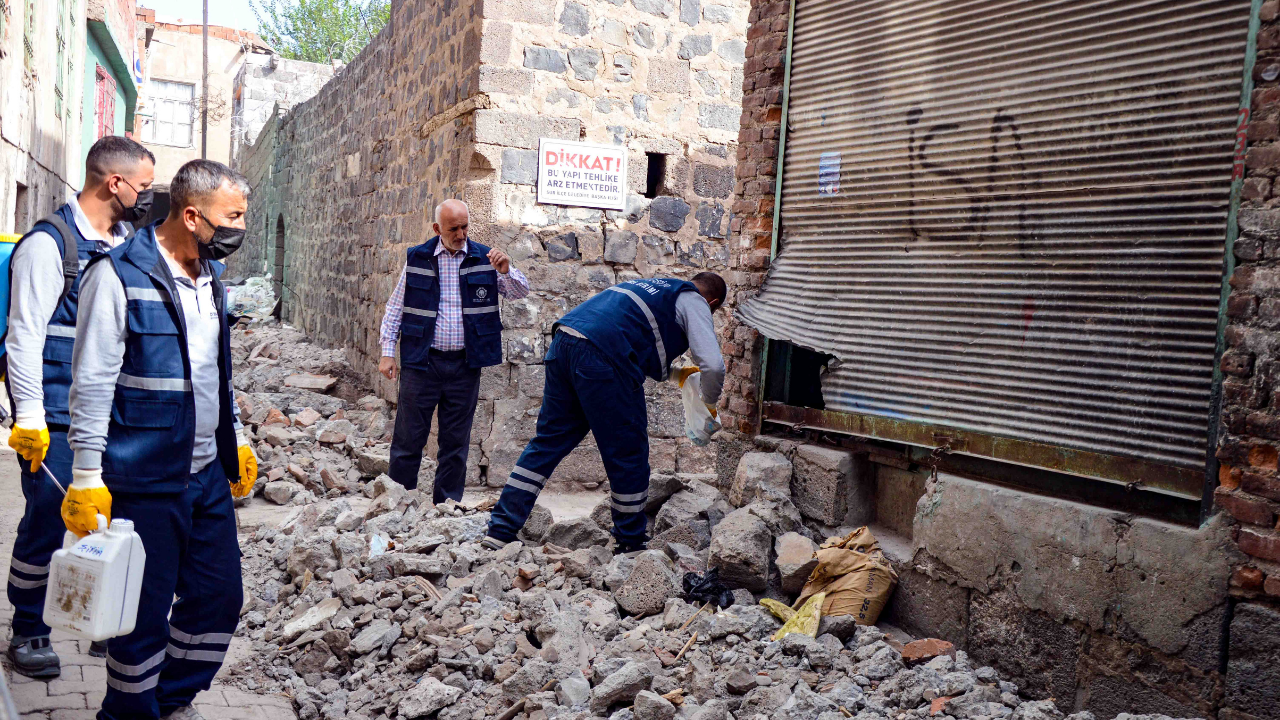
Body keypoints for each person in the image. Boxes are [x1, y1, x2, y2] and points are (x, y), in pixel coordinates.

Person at [65, 159, 258, 720]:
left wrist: (237, 438)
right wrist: (85, 477)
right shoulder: (118, 274)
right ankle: (126, 712)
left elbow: (215, 373)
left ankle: (167, 701)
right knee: (143, 617)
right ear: (193, 215)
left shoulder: (212, 280)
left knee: (218, 600)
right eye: (234, 217)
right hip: (144, 475)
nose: (239, 228)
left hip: (204, 476)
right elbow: (94, 381)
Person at [4, 136, 155, 678]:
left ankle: (99, 619)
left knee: (112, 516)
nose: (147, 197)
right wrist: (29, 415)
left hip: (111, 412)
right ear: (114, 183)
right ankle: (28, 629)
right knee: (51, 517)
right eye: (144, 186)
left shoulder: (126, 245)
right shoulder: (49, 246)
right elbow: (23, 337)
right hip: (57, 412)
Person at [484, 272, 728, 552]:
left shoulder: (653, 286)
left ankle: (500, 530)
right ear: (713, 302)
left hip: (565, 341)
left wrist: (677, 374)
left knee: (548, 442)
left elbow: (628, 340)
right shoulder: (694, 299)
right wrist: (708, 404)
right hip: (602, 357)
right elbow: (713, 365)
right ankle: (630, 541)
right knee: (628, 452)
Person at [378, 199, 529, 502]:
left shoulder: (485, 257)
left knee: (455, 444)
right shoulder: (418, 258)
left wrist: (505, 270)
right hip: (422, 363)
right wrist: (387, 351)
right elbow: (395, 307)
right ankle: (396, 505)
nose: (461, 234)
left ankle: (445, 509)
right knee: (408, 440)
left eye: (464, 227)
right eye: (453, 228)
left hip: (464, 365)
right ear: (437, 229)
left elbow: (520, 292)